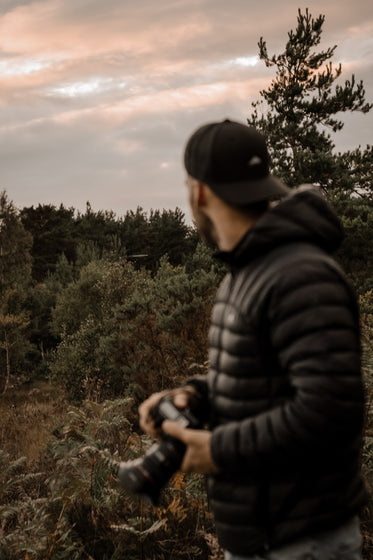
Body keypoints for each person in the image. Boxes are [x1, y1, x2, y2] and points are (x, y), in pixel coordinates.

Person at [139, 119, 367, 559]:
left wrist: (219, 451)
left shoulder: (299, 273)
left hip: (303, 543)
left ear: (199, 192)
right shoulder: (250, 272)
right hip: (265, 539)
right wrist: (191, 396)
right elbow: (262, 382)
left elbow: (330, 409)